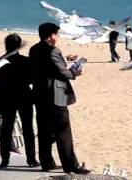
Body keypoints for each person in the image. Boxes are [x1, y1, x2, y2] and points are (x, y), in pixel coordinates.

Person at [29, 22, 91, 174]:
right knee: (63, 131)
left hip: (39, 93)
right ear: (51, 36)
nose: (58, 37)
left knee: (44, 130)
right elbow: (62, 72)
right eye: (57, 34)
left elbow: (47, 67)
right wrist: (75, 72)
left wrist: (65, 61)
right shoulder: (53, 50)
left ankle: (47, 162)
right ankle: (70, 166)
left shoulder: (34, 49)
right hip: (55, 95)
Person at [0, 34, 39, 168]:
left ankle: (4, 159)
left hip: (7, 96)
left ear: (6, 45)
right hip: (24, 96)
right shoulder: (27, 61)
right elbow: (31, 79)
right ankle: (31, 159)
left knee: (6, 128)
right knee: (28, 128)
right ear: (19, 46)